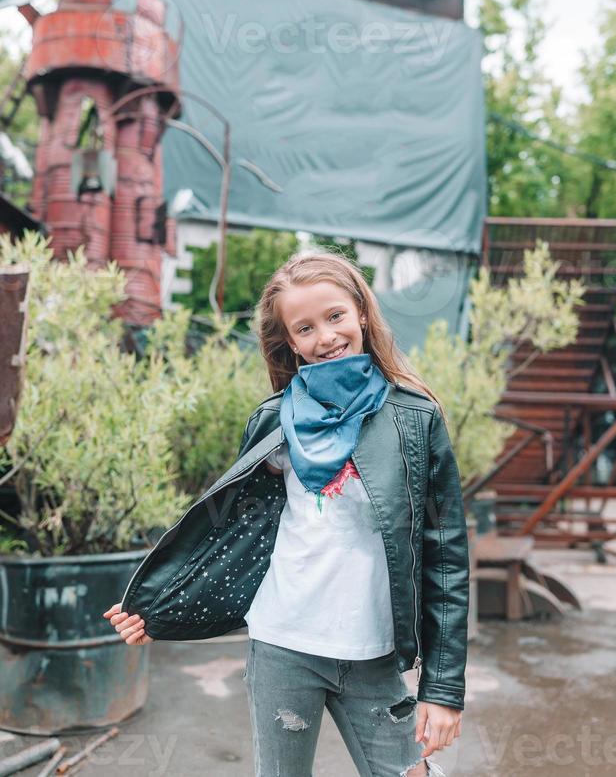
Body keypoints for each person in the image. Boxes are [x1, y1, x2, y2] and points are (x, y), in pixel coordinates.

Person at [104, 250, 470, 776]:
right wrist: (157, 607)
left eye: (335, 316)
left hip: (373, 651)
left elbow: (445, 559)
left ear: (362, 312)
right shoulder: (274, 423)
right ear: (290, 342)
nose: (325, 337)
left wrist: (444, 689)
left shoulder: (415, 418)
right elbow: (232, 535)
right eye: (305, 328)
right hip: (283, 646)